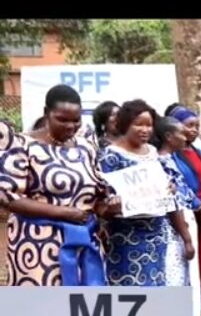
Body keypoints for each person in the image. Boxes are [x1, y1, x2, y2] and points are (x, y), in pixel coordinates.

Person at [0, 85, 119, 286]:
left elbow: (96, 194)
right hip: (37, 245)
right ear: (46, 113)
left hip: (84, 243)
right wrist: (64, 213)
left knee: (84, 302)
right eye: (62, 120)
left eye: (76, 120)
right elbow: (7, 196)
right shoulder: (22, 145)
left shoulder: (86, 147)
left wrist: (109, 208)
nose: (71, 126)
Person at [99, 99, 194, 286]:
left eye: (149, 125)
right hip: (126, 238)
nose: (145, 130)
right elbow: (102, 200)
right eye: (139, 125)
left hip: (157, 235)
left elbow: (165, 191)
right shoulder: (110, 156)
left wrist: (169, 189)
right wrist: (113, 204)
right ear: (125, 124)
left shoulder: (152, 152)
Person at [153, 116, 201, 316]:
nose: (185, 135)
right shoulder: (162, 162)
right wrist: (186, 236)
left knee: (187, 277)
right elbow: (174, 201)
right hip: (176, 224)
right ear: (169, 137)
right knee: (177, 277)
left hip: (186, 217)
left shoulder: (171, 160)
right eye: (180, 132)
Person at [168, 105, 201, 288]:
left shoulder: (199, 153)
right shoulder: (171, 157)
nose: (194, 130)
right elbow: (178, 184)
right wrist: (198, 206)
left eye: (197, 126)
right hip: (186, 213)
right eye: (189, 126)